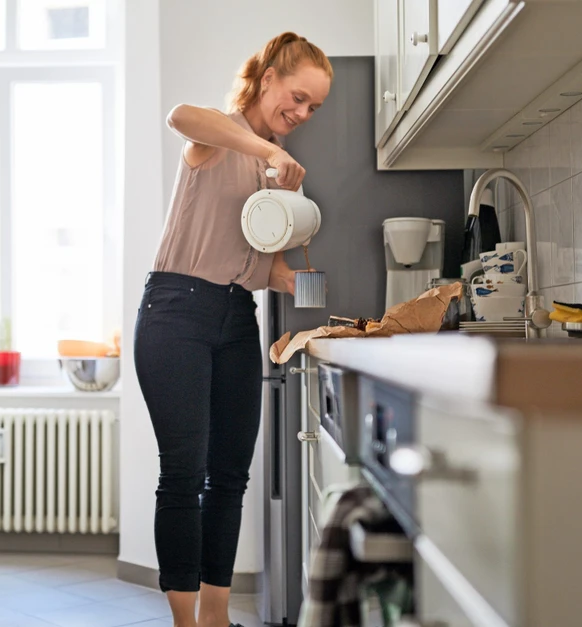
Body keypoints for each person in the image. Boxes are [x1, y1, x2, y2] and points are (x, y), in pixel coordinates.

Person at [134, 32, 332, 627]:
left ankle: (216, 618)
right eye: (297, 97)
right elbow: (179, 115)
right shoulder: (217, 138)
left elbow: (250, 261)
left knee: (230, 475)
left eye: (313, 108)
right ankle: (185, 622)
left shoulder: (271, 165)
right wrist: (263, 149)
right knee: (184, 473)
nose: (300, 114)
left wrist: (300, 285)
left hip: (235, 317)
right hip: (176, 313)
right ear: (268, 76)